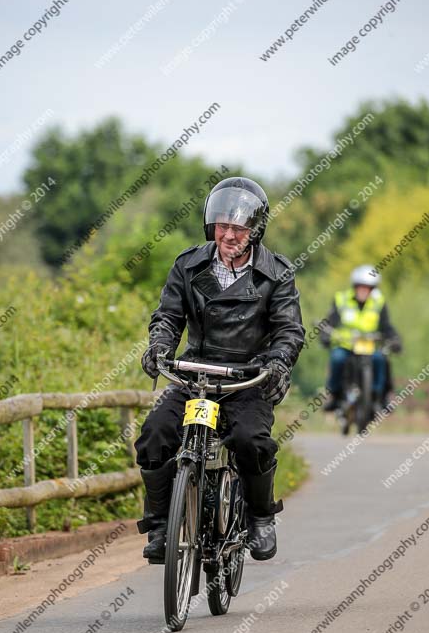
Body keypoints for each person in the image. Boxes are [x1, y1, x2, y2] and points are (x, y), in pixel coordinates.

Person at [134, 177, 305, 562]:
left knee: (251, 441)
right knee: (155, 433)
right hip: (195, 374)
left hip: (247, 380)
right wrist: (159, 346)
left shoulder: (276, 273)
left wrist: (277, 363)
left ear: (255, 231)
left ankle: (261, 517)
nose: (229, 235)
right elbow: (167, 315)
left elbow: (289, 329)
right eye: (223, 226)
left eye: (239, 228)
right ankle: (160, 526)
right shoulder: (188, 265)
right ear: (212, 226)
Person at [320, 265, 402, 411]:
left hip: (369, 346)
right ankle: (334, 395)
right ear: (355, 286)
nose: (364, 291)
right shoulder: (341, 299)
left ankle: (380, 396)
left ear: (373, 289)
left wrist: (395, 339)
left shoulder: (379, 303)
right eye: (361, 287)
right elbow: (330, 321)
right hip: (346, 345)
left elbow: (386, 326)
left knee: (381, 359)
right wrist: (325, 334)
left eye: (368, 288)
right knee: (337, 358)